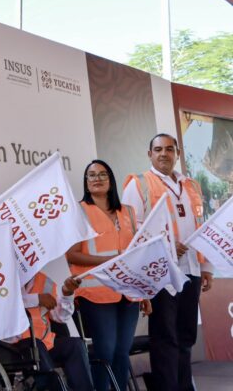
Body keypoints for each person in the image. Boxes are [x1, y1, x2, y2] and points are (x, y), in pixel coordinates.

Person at [122, 133, 214, 391]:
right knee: (165, 337)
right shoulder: (139, 184)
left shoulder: (191, 185)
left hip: (191, 270)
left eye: (169, 149)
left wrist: (205, 266)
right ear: (149, 154)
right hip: (161, 272)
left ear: (177, 153)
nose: (164, 154)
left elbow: (200, 226)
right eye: (158, 149)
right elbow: (132, 230)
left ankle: (185, 387)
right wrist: (165, 245)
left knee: (186, 335)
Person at [66, 159, 151, 391]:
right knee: (106, 352)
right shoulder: (78, 212)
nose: (97, 179)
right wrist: (110, 261)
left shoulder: (129, 213)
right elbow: (71, 255)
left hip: (129, 293)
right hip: (96, 293)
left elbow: (137, 255)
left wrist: (145, 293)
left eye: (102, 174)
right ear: (86, 182)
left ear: (111, 180)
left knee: (123, 353)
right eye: (91, 175)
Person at [11, 273, 94, 391]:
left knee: (75, 344)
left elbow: (60, 317)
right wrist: (36, 299)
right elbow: (2, 302)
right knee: (35, 345)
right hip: (14, 344)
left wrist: (67, 294)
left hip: (45, 342)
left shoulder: (44, 281)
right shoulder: (3, 278)